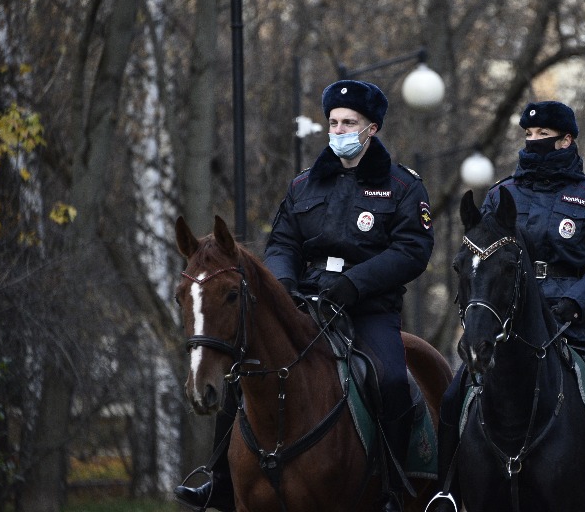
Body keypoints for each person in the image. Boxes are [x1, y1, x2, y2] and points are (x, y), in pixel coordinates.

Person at [175, 80, 435, 512]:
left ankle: (393, 489)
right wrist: (285, 284)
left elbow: (412, 251)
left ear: (372, 128)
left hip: (369, 310)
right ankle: (219, 483)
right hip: (305, 304)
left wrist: (354, 284)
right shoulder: (303, 186)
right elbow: (282, 244)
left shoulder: (403, 187)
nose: (339, 131)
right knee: (242, 374)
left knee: (390, 380)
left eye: (349, 123)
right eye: (333, 123)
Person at [428, 101, 585, 512]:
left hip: (575, 320)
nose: (533, 145)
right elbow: (483, 257)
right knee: (455, 392)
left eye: (543, 137)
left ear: (566, 140)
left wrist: (576, 302)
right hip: (509, 318)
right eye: (528, 137)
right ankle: (446, 492)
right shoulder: (502, 195)